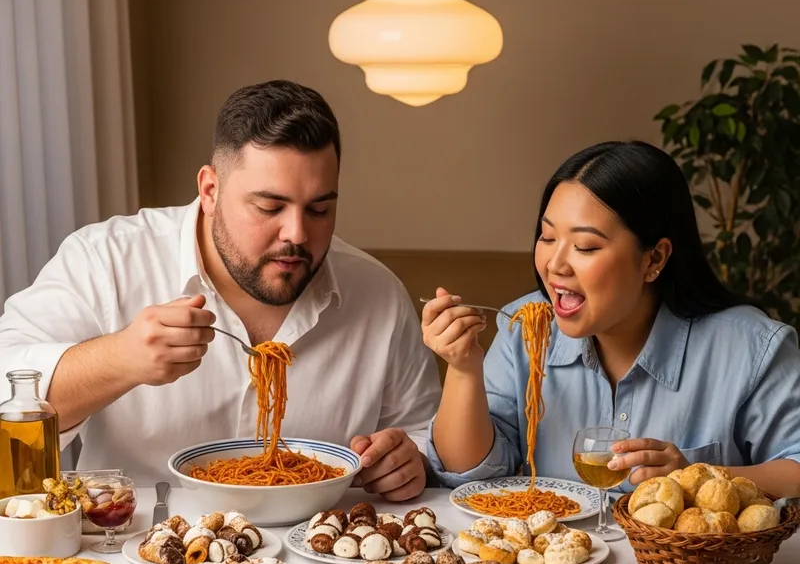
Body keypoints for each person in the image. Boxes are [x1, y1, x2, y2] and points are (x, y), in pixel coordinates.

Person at [0, 80, 441, 500]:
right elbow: (6, 388)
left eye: (320, 209)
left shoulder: (377, 292)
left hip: (318, 555)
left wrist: (409, 460)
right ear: (210, 190)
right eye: (270, 206)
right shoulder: (105, 260)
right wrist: (120, 358)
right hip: (134, 551)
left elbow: (422, 432)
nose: (298, 234)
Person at [422, 140, 800, 497]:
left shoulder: (754, 347)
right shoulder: (525, 327)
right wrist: (463, 367)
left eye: (585, 246)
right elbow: (470, 471)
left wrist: (694, 476)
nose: (554, 265)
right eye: (548, 237)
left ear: (653, 259)